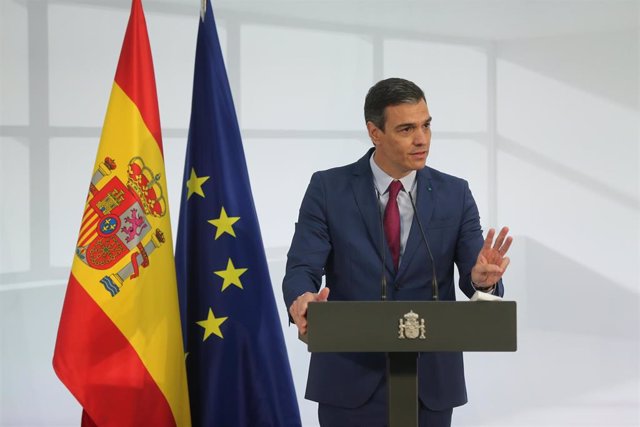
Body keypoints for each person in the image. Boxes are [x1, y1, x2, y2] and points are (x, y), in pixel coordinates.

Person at [282, 77, 512, 427]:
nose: (422, 139)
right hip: (348, 378)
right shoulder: (328, 189)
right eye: (406, 129)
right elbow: (302, 266)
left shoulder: (455, 194)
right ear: (375, 133)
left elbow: (474, 276)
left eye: (426, 125)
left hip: (429, 383)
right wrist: (303, 297)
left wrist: (483, 283)